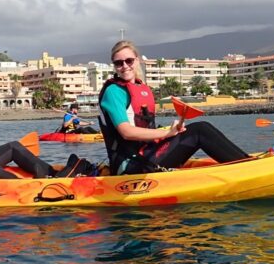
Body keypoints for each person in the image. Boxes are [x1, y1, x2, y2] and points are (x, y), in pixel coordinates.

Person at [97, 40, 249, 175]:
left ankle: (248, 162)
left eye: (128, 61)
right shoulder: (114, 92)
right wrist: (167, 134)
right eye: (119, 63)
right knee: (200, 131)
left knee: (197, 129)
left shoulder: (140, 87)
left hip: (147, 153)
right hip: (130, 166)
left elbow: (146, 128)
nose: (124, 66)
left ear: (136, 61)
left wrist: (171, 130)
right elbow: (127, 132)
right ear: (114, 65)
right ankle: (248, 168)